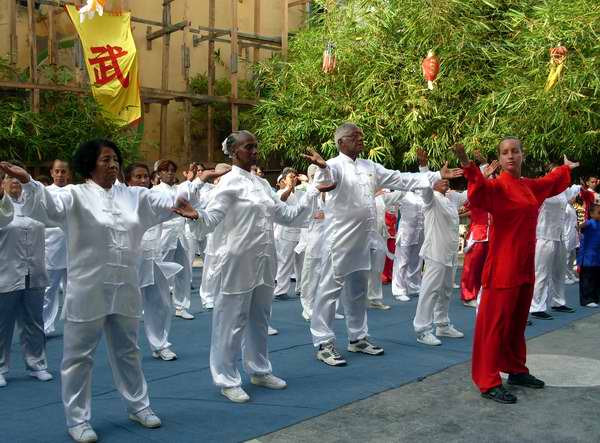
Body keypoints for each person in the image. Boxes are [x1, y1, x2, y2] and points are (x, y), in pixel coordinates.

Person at [1, 140, 223, 443]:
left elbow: (169, 199)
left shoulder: (134, 197)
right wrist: (27, 181)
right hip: (87, 289)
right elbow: (45, 208)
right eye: (106, 159)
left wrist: (196, 183)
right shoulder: (74, 196)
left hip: (125, 287)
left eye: (116, 158)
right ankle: (77, 419)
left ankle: (139, 405)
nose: (113, 164)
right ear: (90, 164)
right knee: (79, 357)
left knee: (129, 351)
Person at [174, 130, 326, 403]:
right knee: (230, 321)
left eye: (255, 147)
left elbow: (289, 217)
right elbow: (211, 220)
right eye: (248, 147)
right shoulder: (228, 183)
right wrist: (195, 216)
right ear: (233, 153)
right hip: (236, 260)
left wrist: (312, 190)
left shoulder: (262, 185)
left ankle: (259, 369)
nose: (254, 151)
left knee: (260, 317)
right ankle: (226, 378)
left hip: (265, 258)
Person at [310, 123, 460, 367]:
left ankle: (357, 337)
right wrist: (324, 168)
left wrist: (435, 176)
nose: (361, 140)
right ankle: (323, 342)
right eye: (354, 137)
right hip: (338, 240)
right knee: (329, 290)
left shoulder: (370, 166)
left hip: (364, 239)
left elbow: (399, 178)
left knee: (358, 290)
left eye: (361, 136)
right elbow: (325, 181)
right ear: (340, 143)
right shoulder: (333, 165)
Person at [454, 139, 578, 404]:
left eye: (515, 151)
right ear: (499, 158)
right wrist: (468, 165)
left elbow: (551, 182)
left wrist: (565, 168)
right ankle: (488, 380)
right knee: (493, 325)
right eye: (505, 152)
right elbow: (478, 193)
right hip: (502, 267)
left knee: (516, 323)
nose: (510, 156)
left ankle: (516, 369)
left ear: (522, 154)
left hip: (524, 265)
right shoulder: (497, 187)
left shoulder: (528, 186)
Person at [0, 164, 52, 388]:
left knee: (34, 321)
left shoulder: (35, 208)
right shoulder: (3, 209)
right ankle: (1, 367)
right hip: (7, 273)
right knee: (3, 323)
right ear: (2, 183)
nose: (14, 181)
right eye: (8, 178)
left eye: (17, 178)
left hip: (35, 272)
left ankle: (37, 364)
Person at [125, 163, 180, 362]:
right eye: (137, 177)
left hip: (153, 257)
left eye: (145, 177)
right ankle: (127, 347)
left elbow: (173, 206)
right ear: (128, 180)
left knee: (162, 303)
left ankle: (160, 344)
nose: (142, 180)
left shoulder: (154, 198)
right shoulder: (122, 200)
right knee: (127, 307)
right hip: (129, 261)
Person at [413, 177, 466, 346]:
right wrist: (424, 171)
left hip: (449, 253)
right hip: (435, 252)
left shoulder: (450, 199)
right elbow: (426, 189)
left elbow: (468, 194)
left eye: (447, 180)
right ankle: (422, 330)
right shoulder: (431, 199)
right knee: (430, 291)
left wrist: (482, 173)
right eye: (440, 179)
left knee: (446, 290)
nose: (445, 182)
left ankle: (442, 324)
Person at [529, 165, 580, 319]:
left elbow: (575, 189)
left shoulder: (564, 190)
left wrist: (570, 169)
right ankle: (536, 306)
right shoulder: (543, 189)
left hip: (560, 236)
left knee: (559, 272)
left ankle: (558, 302)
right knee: (542, 272)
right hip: (544, 236)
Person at [152, 160, 196, 320]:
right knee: (161, 271)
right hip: (164, 234)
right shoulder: (155, 191)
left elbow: (190, 195)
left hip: (180, 233)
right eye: (166, 170)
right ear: (159, 174)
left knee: (183, 270)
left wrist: (191, 180)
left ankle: (181, 306)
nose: (170, 173)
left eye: (172, 170)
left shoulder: (179, 189)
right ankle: (156, 304)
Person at [199, 163, 232, 310]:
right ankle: (207, 296)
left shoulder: (232, 190)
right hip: (215, 233)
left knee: (226, 267)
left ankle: (221, 295)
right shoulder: (210, 192)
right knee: (211, 267)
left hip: (231, 233)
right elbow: (202, 207)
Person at [43, 159, 71, 335]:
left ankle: (72, 323)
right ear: (52, 173)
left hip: (73, 245)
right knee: (49, 288)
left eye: (63, 172)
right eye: (57, 171)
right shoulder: (45, 192)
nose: (60, 175)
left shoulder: (74, 192)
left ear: (68, 174)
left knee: (74, 288)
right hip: (52, 245)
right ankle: (45, 325)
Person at [367, 189, 405, 310]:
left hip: (379, 237)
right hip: (363, 237)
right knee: (360, 270)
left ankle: (375, 299)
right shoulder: (358, 195)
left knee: (377, 269)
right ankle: (357, 301)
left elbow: (399, 193)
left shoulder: (381, 198)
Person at [273, 167, 304, 300]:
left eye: (295, 176)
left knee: (301, 263)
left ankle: (301, 288)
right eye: (291, 177)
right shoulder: (280, 192)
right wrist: (289, 188)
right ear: (284, 180)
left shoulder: (301, 193)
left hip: (300, 233)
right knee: (285, 262)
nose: (294, 179)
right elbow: (283, 199)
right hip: (285, 233)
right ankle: (280, 290)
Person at [577, 204, 600, 308]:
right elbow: (582, 225)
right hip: (588, 257)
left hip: (596, 256)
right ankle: (587, 299)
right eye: (599, 213)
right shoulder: (590, 223)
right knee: (587, 279)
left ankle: (595, 297)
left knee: (596, 278)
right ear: (591, 214)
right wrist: (580, 226)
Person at [564, 197, 580, 284]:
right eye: (572, 197)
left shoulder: (573, 207)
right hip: (567, 236)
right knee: (566, 257)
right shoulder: (566, 208)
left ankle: (570, 274)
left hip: (573, 236)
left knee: (572, 256)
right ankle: (565, 276)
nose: (574, 199)